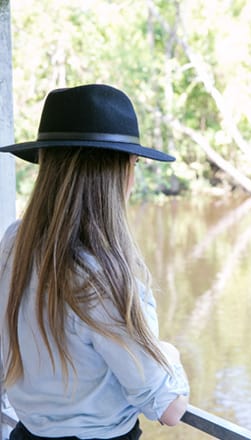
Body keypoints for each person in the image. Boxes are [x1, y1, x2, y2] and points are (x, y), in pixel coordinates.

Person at [0, 84, 190, 439]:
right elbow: (168, 408)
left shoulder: (15, 241)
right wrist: (169, 353)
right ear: (117, 173)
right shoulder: (102, 276)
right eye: (133, 164)